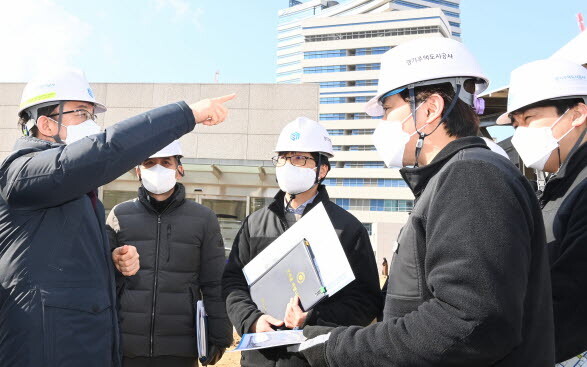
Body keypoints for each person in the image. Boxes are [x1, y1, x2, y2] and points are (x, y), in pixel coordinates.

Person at [290, 37, 555, 366]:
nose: (382, 125)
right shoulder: (455, 177)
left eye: (387, 110)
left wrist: (336, 347)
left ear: (429, 109)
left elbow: (469, 322)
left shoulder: (472, 178)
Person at [0, 68, 234, 367]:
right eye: (81, 113)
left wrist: (111, 262)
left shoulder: (77, 191)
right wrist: (187, 114)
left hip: (80, 344)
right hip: (47, 347)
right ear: (46, 123)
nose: (91, 125)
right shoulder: (24, 172)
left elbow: (59, 266)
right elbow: (107, 149)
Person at [222, 117, 381, 367]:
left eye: (299, 158)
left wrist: (312, 319)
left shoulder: (347, 229)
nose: (288, 165)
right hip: (259, 359)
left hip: (313, 359)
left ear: (322, 169)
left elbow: (365, 299)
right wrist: (252, 320)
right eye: (284, 158)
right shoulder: (254, 224)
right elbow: (232, 282)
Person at [106, 140, 233, 367]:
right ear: (138, 170)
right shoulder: (119, 214)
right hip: (126, 345)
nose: (158, 169)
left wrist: (219, 337)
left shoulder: (203, 218)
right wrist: (114, 259)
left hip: (180, 348)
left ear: (179, 169)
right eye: (149, 163)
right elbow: (103, 279)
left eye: (166, 162)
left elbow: (215, 283)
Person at [496, 58, 587, 365]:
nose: (519, 135)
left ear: (577, 113)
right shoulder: (562, 183)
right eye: (515, 125)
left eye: (529, 119)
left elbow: (572, 295)